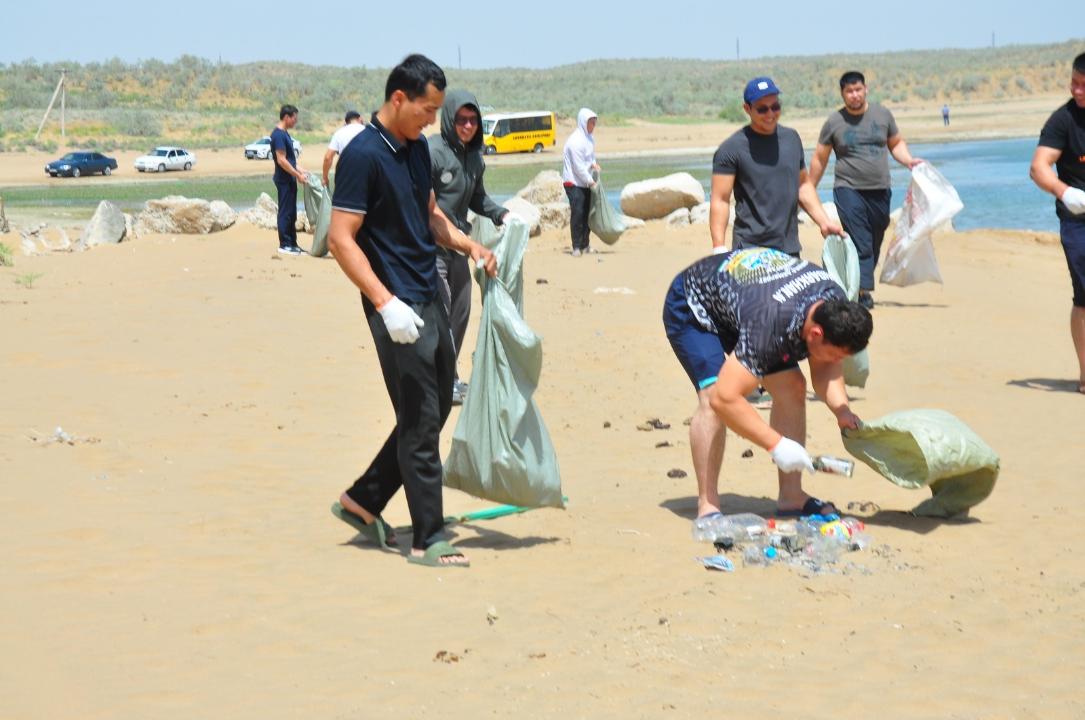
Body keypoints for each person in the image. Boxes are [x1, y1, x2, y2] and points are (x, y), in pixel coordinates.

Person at [326, 54, 497, 568]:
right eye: (426, 109)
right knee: (421, 419)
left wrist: (469, 246)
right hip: (395, 304)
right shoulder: (362, 155)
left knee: (437, 406)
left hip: (428, 295)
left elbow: (430, 215)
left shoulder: (417, 148)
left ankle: (363, 500)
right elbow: (340, 239)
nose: (431, 120)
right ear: (398, 98)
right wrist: (385, 304)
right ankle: (428, 537)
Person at [662, 247, 872, 521]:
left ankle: (791, 497)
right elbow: (725, 399)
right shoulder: (771, 325)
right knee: (713, 396)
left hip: (747, 305)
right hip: (695, 305)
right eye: (836, 354)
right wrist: (777, 445)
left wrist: (842, 410)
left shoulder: (834, 302)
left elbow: (826, 366)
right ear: (815, 333)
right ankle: (708, 505)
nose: (838, 362)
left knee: (793, 387)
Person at [809, 71, 923, 309]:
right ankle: (861, 291)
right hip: (848, 188)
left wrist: (909, 160)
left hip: (880, 189)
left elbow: (896, 143)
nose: (854, 95)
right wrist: (809, 188)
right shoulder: (834, 122)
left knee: (874, 239)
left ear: (865, 89)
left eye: (858, 90)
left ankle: (855, 285)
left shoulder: (882, 115)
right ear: (842, 94)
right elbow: (820, 157)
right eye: (849, 91)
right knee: (860, 240)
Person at [429, 89, 510, 405]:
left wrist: (501, 213)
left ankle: (448, 377)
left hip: (460, 248)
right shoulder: (432, 152)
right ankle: (440, 382)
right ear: (450, 118)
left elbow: (478, 198)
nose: (467, 126)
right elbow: (425, 206)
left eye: (473, 120)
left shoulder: (475, 158)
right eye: (461, 119)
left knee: (460, 313)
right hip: (432, 247)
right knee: (440, 312)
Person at [710, 77, 843, 259]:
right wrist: (718, 248)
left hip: (789, 248)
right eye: (762, 109)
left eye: (775, 106)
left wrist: (824, 222)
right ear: (747, 109)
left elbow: (803, 186)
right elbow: (720, 200)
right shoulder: (731, 149)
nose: (770, 113)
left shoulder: (791, 139)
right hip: (749, 250)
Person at [1030, 52, 1085, 395]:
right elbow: (1038, 167)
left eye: (1084, 85)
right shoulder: (1062, 120)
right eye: (1074, 83)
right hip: (1078, 221)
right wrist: (1066, 192)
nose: (1077, 91)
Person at [271, 104, 309, 256]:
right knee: (286, 212)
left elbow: (290, 160)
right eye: (294, 118)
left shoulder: (284, 134)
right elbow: (281, 160)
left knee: (292, 212)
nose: (296, 121)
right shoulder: (278, 135)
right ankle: (284, 244)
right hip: (284, 179)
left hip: (289, 178)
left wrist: (301, 170)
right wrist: (297, 175)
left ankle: (292, 243)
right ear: (286, 117)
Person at [562, 108, 600, 257]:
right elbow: (578, 167)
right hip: (573, 182)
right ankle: (576, 246)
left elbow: (590, 157)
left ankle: (585, 245)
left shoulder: (589, 138)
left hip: (585, 181)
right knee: (578, 212)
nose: (593, 126)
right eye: (591, 123)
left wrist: (594, 164)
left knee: (587, 213)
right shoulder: (575, 142)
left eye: (594, 123)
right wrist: (591, 182)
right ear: (584, 122)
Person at [322, 110, 366, 188]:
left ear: (346, 122)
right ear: (360, 118)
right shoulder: (368, 131)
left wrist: (325, 178)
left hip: (345, 174)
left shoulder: (339, 133)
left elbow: (328, 158)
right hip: (366, 173)